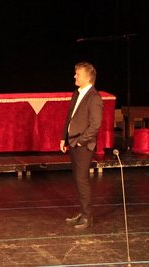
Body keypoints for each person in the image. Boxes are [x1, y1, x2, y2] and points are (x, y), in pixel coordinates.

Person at [59, 61, 103, 229]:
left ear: (87, 77)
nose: (74, 76)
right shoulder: (77, 94)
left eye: (77, 74)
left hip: (84, 145)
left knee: (82, 179)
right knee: (77, 179)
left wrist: (80, 141)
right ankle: (82, 212)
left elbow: (95, 126)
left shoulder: (94, 98)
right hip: (73, 142)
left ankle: (87, 216)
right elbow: (69, 116)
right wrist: (64, 137)